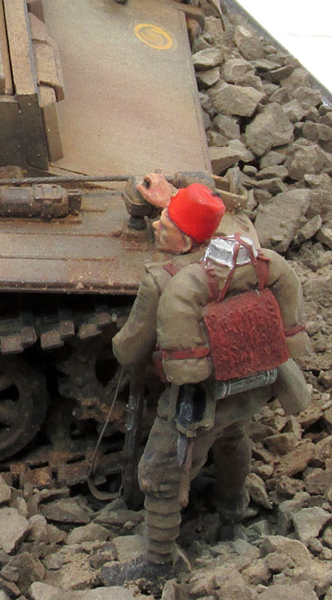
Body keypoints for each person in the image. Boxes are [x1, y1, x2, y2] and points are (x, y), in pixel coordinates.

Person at [103, 182, 311, 589]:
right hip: (253, 382)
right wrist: (176, 200)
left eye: (165, 222)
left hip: (200, 397)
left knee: (160, 471)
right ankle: (233, 513)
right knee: (233, 437)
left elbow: (129, 351)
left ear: (183, 239)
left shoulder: (163, 281)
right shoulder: (246, 256)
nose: (157, 225)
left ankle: (158, 563)